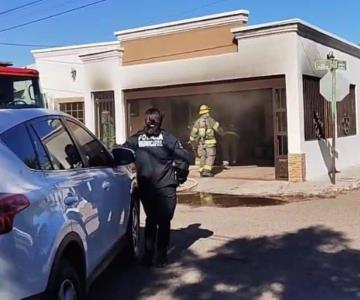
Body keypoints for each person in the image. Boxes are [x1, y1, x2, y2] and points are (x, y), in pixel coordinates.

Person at [124, 108, 191, 267]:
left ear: (146, 120)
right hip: (166, 187)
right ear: (160, 121)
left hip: (147, 188)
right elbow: (183, 159)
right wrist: (180, 177)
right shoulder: (168, 139)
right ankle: (160, 257)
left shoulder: (136, 139)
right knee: (164, 221)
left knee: (151, 220)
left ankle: (148, 257)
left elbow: (120, 152)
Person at [189, 104, 223, 177]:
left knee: (203, 156)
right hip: (210, 142)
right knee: (210, 156)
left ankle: (201, 170)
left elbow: (193, 134)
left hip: (201, 143)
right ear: (207, 111)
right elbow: (218, 129)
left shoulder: (197, 121)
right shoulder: (211, 120)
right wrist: (222, 134)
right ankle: (207, 171)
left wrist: (193, 142)